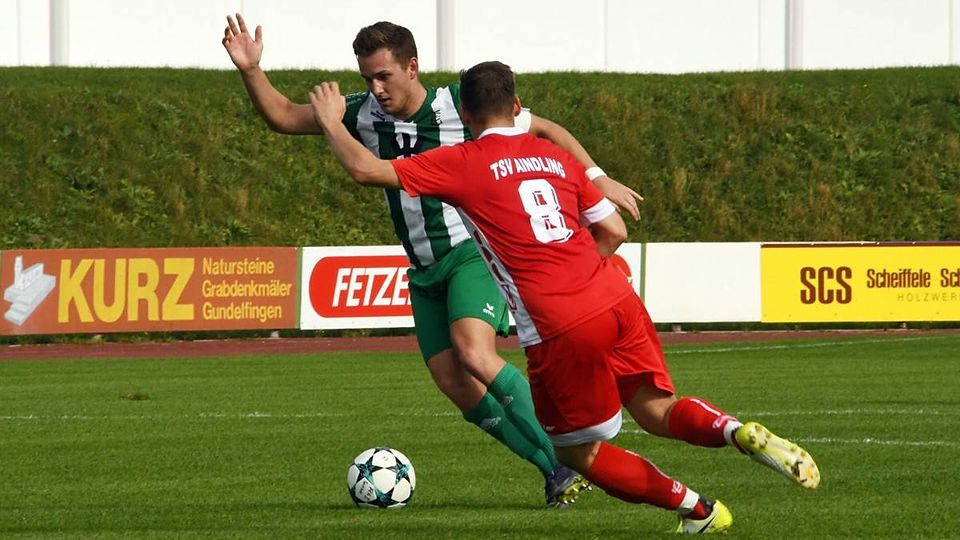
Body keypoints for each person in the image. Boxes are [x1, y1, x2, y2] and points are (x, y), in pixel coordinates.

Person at [307, 61, 821, 534]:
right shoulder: (553, 156)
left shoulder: (461, 160)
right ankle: (734, 431)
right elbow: (615, 230)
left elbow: (367, 170)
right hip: (614, 296)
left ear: (465, 115)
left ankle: (700, 511)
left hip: (558, 322)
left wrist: (332, 122)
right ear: (516, 105)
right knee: (657, 410)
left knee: (578, 454)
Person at [221, 15, 643, 507]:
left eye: (384, 76)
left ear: (412, 67)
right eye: (367, 78)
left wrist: (597, 178)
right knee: (454, 382)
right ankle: (555, 469)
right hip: (424, 269)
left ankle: (579, 451)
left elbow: (545, 128)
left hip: (472, 253)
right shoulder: (360, 114)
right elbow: (283, 116)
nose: (376, 89)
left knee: (474, 353)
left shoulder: (457, 106)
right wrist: (251, 69)